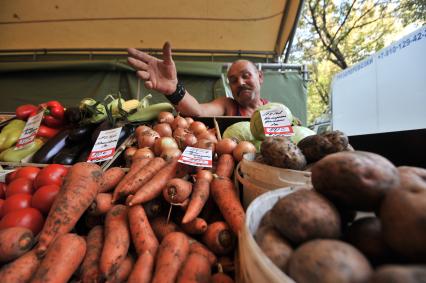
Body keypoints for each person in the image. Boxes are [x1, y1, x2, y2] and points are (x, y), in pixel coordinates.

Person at [127, 42, 269, 117]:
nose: (241, 83)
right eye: (233, 80)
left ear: (260, 77)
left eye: (246, 76)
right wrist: (174, 89)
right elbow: (198, 111)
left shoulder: (276, 111)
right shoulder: (228, 105)